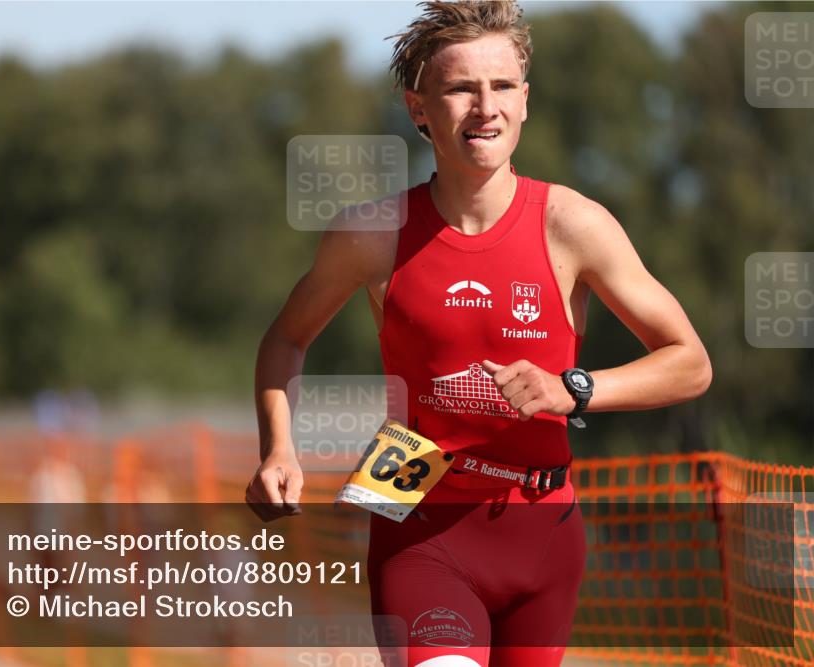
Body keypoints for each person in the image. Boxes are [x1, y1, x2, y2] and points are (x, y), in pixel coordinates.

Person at [245, 2, 711, 665]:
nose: (483, 106)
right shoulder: (372, 233)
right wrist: (278, 448)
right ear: (418, 108)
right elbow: (285, 339)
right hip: (412, 502)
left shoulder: (573, 224)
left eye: (501, 87)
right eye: (461, 87)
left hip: (542, 522)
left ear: (525, 101)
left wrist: (570, 388)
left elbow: (690, 361)